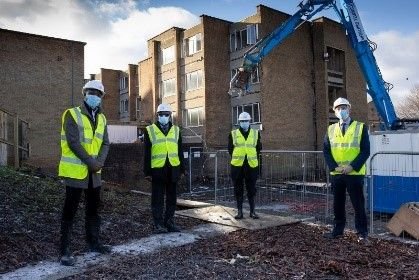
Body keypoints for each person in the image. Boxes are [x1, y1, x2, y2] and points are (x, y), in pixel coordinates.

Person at [58, 80, 111, 266]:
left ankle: (93, 243)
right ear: (84, 94)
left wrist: (100, 163)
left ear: (101, 97)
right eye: (91, 92)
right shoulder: (72, 114)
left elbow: (105, 143)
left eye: (97, 94)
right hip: (76, 172)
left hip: (94, 173)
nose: (94, 96)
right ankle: (64, 251)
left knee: (93, 209)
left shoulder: (102, 119)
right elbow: (73, 142)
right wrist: (91, 162)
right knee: (69, 211)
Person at [323, 97, 370, 241]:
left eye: (344, 108)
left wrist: (352, 166)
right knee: (338, 204)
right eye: (338, 108)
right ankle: (337, 230)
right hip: (337, 173)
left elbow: (365, 151)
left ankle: (362, 233)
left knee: (358, 204)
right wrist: (334, 167)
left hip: (354, 173)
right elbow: (326, 151)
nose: (341, 110)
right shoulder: (331, 129)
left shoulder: (360, 127)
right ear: (334, 111)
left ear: (349, 109)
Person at [144, 103, 184, 234]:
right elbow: (147, 152)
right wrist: (147, 172)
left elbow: (180, 151)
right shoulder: (150, 130)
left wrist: (182, 169)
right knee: (157, 198)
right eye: (161, 114)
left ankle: (169, 222)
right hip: (157, 169)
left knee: (172, 198)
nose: (164, 117)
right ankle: (158, 224)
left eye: (166, 114)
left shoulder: (176, 130)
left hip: (173, 168)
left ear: (170, 116)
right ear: (157, 115)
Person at [228, 112, 262, 219]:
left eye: (246, 121)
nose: (244, 123)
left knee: (251, 189)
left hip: (251, 166)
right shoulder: (233, 134)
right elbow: (230, 149)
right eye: (242, 121)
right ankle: (239, 212)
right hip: (238, 166)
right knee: (238, 189)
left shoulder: (256, 133)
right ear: (239, 122)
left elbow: (258, 148)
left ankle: (252, 212)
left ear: (249, 121)